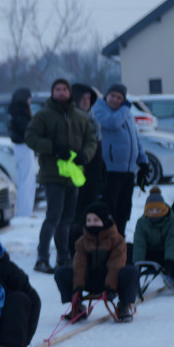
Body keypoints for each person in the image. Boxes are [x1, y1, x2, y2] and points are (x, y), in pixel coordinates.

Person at [24, 77, 98, 274]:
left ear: (69, 93)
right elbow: (30, 137)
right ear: (52, 92)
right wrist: (53, 148)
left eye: (64, 89)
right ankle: (42, 258)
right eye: (57, 89)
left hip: (73, 175)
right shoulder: (43, 115)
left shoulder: (79, 116)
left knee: (67, 219)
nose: (61, 92)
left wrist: (85, 155)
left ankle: (64, 258)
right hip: (52, 175)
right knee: (53, 218)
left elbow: (91, 139)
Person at [54, 201, 138, 323]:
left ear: (104, 221)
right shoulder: (82, 242)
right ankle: (77, 306)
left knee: (131, 271)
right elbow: (79, 265)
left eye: (95, 220)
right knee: (61, 272)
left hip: (112, 282)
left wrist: (111, 287)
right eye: (89, 220)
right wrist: (77, 288)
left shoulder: (117, 240)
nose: (91, 224)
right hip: (91, 280)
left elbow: (116, 264)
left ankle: (124, 305)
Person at [92, 83, 149, 237]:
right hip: (110, 170)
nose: (115, 100)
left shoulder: (126, 114)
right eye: (113, 96)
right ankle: (106, 239)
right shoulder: (99, 109)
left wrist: (142, 161)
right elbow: (112, 123)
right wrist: (125, 108)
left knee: (124, 209)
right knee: (110, 208)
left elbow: (135, 138)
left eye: (119, 97)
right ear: (106, 96)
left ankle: (120, 240)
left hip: (128, 170)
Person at [68, 84, 106, 255]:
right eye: (82, 98)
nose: (86, 101)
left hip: (94, 171)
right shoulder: (71, 119)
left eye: (89, 98)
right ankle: (73, 246)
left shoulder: (92, 118)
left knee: (90, 208)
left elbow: (97, 146)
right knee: (76, 211)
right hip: (77, 171)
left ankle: (88, 241)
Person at [132, 187, 174, 292]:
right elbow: (139, 244)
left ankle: (173, 276)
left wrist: (168, 265)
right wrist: (137, 265)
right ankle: (131, 280)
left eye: (158, 209)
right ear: (146, 210)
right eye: (151, 210)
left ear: (163, 208)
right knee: (127, 248)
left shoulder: (171, 221)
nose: (154, 213)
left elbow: (171, 242)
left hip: (167, 255)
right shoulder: (141, 222)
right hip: (148, 254)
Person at [7, 87, 36, 217]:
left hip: (20, 148)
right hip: (25, 147)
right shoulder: (22, 114)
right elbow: (28, 132)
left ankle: (24, 210)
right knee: (27, 180)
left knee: (23, 180)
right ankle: (25, 211)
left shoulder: (15, 113)